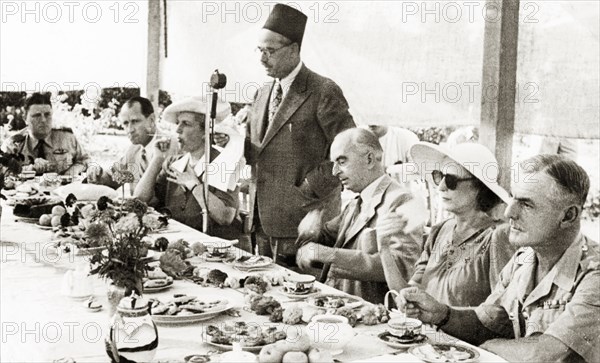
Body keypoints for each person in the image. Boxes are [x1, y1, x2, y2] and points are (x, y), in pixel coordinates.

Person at [396, 155, 599, 363]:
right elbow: (487, 322)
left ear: (568, 216)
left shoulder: (594, 274)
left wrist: (487, 347)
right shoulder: (524, 258)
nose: (510, 212)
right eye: (513, 198)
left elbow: (545, 355)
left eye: (527, 204)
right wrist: (442, 314)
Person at [235, 4, 355, 266]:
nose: (262, 58)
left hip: (305, 223)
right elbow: (260, 150)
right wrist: (233, 144)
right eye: (260, 50)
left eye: (270, 51)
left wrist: (309, 187)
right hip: (261, 222)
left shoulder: (322, 90)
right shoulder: (261, 94)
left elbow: (349, 152)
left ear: (294, 49)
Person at [377, 142, 515, 306]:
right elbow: (407, 299)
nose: (441, 186)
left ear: (480, 187)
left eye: (451, 180)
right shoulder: (439, 231)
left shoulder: (497, 237)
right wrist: (384, 249)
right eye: (439, 176)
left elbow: (501, 311)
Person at [295, 128, 423, 304]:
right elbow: (326, 238)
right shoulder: (357, 202)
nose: (334, 171)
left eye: (341, 161)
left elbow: (402, 267)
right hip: (340, 306)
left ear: (369, 159)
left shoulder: (403, 200)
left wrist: (328, 254)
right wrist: (311, 231)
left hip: (372, 314)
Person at [134, 97, 242, 239]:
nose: (178, 129)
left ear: (205, 132)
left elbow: (225, 216)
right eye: (178, 123)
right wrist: (158, 158)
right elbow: (140, 199)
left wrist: (195, 185)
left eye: (186, 124)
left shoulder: (224, 163)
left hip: (218, 250)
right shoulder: (174, 164)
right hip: (180, 244)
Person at [87, 96, 178, 190]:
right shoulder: (134, 149)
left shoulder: (170, 147)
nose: (130, 129)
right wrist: (98, 175)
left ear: (151, 120)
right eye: (125, 123)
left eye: (135, 121)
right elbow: (114, 177)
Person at [1, 93, 89, 176]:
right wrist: (30, 169)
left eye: (47, 115)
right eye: (37, 115)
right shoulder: (12, 144)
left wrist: (70, 173)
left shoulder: (67, 139)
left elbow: (84, 161)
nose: (43, 120)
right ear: (25, 118)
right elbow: (3, 172)